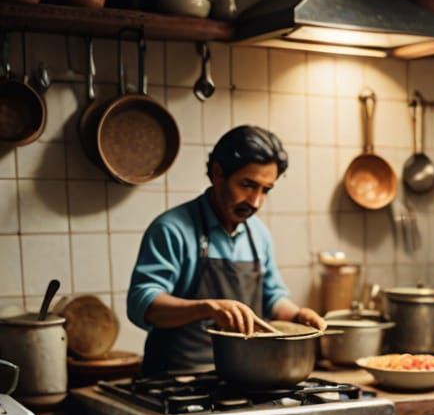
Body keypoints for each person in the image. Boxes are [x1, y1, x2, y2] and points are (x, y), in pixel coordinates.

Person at [127, 125, 325, 375]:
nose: (255, 201)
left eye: (266, 190)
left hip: (242, 376)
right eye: (247, 185)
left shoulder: (258, 235)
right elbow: (142, 304)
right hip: (176, 379)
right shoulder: (171, 229)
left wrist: (298, 316)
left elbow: (272, 299)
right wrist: (207, 308)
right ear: (218, 173)